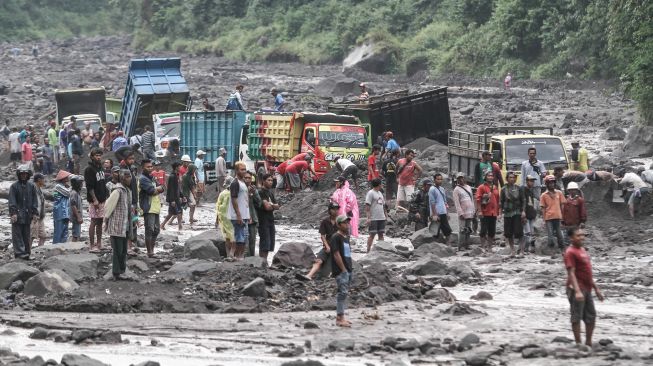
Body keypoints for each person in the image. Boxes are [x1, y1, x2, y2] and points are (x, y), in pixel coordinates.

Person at [564, 227, 604, 346]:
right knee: (577, 315)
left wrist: (596, 289)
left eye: (583, 235)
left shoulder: (582, 250)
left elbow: (587, 272)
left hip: (587, 287)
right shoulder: (570, 252)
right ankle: (578, 343)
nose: (582, 237)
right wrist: (577, 291)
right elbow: (571, 273)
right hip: (576, 288)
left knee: (591, 315)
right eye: (578, 235)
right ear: (571, 238)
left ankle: (588, 342)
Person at [104, 169, 134, 281]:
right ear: (122, 178)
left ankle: (122, 270)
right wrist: (106, 221)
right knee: (118, 250)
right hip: (117, 225)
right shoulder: (118, 191)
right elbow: (108, 207)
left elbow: (130, 208)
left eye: (130, 176)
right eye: (127, 176)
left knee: (123, 250)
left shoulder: (127, 191)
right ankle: (117, 272)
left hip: (124, 225)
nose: (129, 178)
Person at [9, 165, 38, 259]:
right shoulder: (14, 186)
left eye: (25, 174)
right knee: (17, 235)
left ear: (28, 174)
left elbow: (34, 200)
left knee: (26, 235)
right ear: (19, 174)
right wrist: (13, 213)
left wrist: (35, 213)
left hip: (27, 214)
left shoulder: (32, 186)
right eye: (22, 174)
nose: (23, 175)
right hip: (17, 214)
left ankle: (27, 253)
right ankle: (19, 253)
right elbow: (12, 200)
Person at [304, 202, 340, 280]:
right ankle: (309, 275)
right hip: (327, 247)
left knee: (334, 263)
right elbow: (323, 235)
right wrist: (326, 246)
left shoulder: (340, 221)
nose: (336, 211)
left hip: (337, 248)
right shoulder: (325, 221)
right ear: (330, 210)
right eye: (334, 209)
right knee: (318, 261)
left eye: (337, 209)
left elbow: (345, 236)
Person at [84, 148, 109, 252]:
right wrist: (94, 200)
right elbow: (89, 187)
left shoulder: (100, 168)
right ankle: (91, 245)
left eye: (100, 155)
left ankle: (99, 244)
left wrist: (106, 197)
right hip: (94, 200)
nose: (98, 157)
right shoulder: (89, 169)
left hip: (102, 199)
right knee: (93, 221)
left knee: (100, 221)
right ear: (92, 157)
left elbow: (103, 184)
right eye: (96, 155)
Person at [331, 215, 353, 328]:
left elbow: (347, 255)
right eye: (344, 223)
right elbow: (336, 254)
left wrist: (349, 268)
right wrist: (343, 269)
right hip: (341, 270)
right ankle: (339, 318)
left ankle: (341, 316)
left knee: (344, 293)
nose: (347, 225)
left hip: (348, 269)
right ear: (339, 225)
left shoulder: (345, 237)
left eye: (347, 223)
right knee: (342, 293)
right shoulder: (336, 237)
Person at [140, 159, 165, 257]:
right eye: (148, 166)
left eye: (151, 166)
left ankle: (152, 250)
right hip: (148, 207)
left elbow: (162, 187)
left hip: (155, 207)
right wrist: (158, 189)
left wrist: (158, 189)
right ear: (143, 167)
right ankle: (149, 252)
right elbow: (152, 191)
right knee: (149, 229)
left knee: (156, 230)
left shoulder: (152, 177)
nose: (150, 168)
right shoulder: (143, 179)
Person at [500, 171, 525, 256]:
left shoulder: (519, 188)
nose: (512, 179)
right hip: (507, 213)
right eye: (510, 177)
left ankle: (521, 251)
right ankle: (513, 250)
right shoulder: (503, 189)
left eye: (513, 177)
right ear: (507, 179)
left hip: (517, 212)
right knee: (508, 233)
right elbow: (501, 201)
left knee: (519, 232)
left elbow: (523, 200)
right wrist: (500, 213)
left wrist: (523, 211)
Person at [229, 162, 251, 259]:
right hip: (238, 215)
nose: (244, 171)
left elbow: (245, 200)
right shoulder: (235, 183)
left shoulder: (243, 183)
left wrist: (248, 215)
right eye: (242, 169)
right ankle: (238, 258)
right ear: (237, 170)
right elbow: (233, 199)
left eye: (245, 169)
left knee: (244, 236)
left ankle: (239, 257)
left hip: (244, 215)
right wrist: (238, 215)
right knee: (240, 237)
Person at [540, 175, 567, 253]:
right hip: (548, 218)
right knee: (550, 236)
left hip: (558, 217)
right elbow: (543, 208)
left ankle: (563, 250)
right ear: (547, 184)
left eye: (552, 183)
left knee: (560, 235)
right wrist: (544, 219)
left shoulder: (559, 193)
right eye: (549, 183)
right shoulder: (543, 195)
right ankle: (552, 251)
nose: (551, 184)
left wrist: (562, 216)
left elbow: (562, 205)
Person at [476, 171, 500, 253]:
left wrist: (498, 211)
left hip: (493, 212)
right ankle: (483, 246)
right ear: (485, 177)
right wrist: (479, 211)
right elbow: (478, 200)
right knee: (483, 230)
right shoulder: (481, 187)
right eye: (489, 176)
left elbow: (497, 200)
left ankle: (490, 247)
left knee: (492, 230)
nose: (490, 177)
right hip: (485, 211)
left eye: (492, 176)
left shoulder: (495, 187)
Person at [256, 173, 279, 260]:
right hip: (262, 219)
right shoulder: (260, 192)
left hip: (270, 219)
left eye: (271, 180)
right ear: (263, 181)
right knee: (265, 242)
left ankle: (265, 261)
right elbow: (267, 207)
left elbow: (277, 206)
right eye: (268, 180)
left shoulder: (270, 192)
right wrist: (272, 205)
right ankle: (262, 261)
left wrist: (271, 205)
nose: (270, 182)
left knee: (270, 242)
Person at [452, 173, 476, 250]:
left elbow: (472, 199)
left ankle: (467, 244)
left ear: (464, 178)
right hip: (462, 212)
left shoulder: (468, 187)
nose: (461, 180)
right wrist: (460, 212)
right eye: (459, 178)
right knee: (462, 230)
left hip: (469, 211)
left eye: (462, 178)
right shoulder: (456, 190)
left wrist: (473, 210)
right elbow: (457, 203)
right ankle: (461, 246)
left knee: (468, 229)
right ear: (457, 180)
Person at [160, 162, 185, 231]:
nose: (180, 168)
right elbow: (170, 189)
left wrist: (182, 196)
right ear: (176, 167)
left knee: (174, 213)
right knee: (176, 212)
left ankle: (163, 225)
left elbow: (177, 188)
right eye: (179, 166)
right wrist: (172, 200)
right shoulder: (172, 177)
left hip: (176, 198)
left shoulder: (176, 176)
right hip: (173, 199)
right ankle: (179, 227)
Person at [365, 178, 387, 252]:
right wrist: (368, 218)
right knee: (372, 234)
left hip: (381, 217)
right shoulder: (370, 193)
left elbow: (383, 206)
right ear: (379, 185)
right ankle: (368, 250)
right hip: (374, 218)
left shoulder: (380, 193)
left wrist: (386, 216)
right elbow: (367, 206)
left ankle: (381, 251)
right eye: (381, 184)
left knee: (381, 234)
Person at [429, 173, 452, 242]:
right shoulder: (432, 189)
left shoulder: (442, 189)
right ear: (434, 180)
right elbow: (432, 203)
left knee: (447, 230)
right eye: (438, 179)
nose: (440, 181)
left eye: (441, 179)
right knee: (436, 231)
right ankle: (436, 247)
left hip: (443, 212)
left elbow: (445, 201)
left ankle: (448, 246)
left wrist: (447, 212)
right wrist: (434, 214)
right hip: (437, 213)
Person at [217, 176, 235, 258]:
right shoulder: (234, 194)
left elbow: (218, 207)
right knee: (232, 237)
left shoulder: (222, 194)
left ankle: (229, 254)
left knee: (228, 237)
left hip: (224, 218)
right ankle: (231, 253)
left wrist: (217, 219)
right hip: (230, 218)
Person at [53, 170, 73, 244]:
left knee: (65, 230)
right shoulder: (58, 186)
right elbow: (68, 193)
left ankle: (62, 245)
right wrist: (72, 186)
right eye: (67, 177)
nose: (68, 178)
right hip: (60, 210)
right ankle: (56, 246)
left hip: (64, 211)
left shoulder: (63, 186)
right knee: (59, 230)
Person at [244, 171, 261, 257]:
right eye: (245, 178)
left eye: (249, 178)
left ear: (251, 179)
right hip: (243, 219)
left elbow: (259, 203)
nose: (247, 180)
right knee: (244, 243)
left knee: (252, 242)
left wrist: (254, 194)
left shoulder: (254, 190)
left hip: (253, 219)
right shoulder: (241, 189)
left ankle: (252, 261)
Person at [523, 175, 539, 253]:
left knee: (531, 232)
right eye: (530, 181)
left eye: (533, 181)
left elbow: (532, 203)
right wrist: (523, 214)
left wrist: (534, 213)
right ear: (527, 181)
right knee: (527, 232)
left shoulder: (531, 191)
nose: (532, 182)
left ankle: (529, 248)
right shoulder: (523, 190)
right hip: (525, 214)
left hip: (531, 214)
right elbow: (523, 203)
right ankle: (525, 249)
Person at [30, 173, 47, 248]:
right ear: (39, 180)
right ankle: (28, 252)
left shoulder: (39, 188)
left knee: (43, 236)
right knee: (32, 236)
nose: (44, 181)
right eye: (43, 179)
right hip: (34, 216)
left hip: (40, 216)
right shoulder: (32, 188)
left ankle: (39, 250)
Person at [70, 176, 84, 242]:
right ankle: (73, 247)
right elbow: (73, 205)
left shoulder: (77, 193)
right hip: (76, 216)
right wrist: (78, 217)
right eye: (80, 183)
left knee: (77, 233)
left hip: (77, 215)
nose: (82, 185)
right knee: (75, 234)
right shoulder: (74, 193)